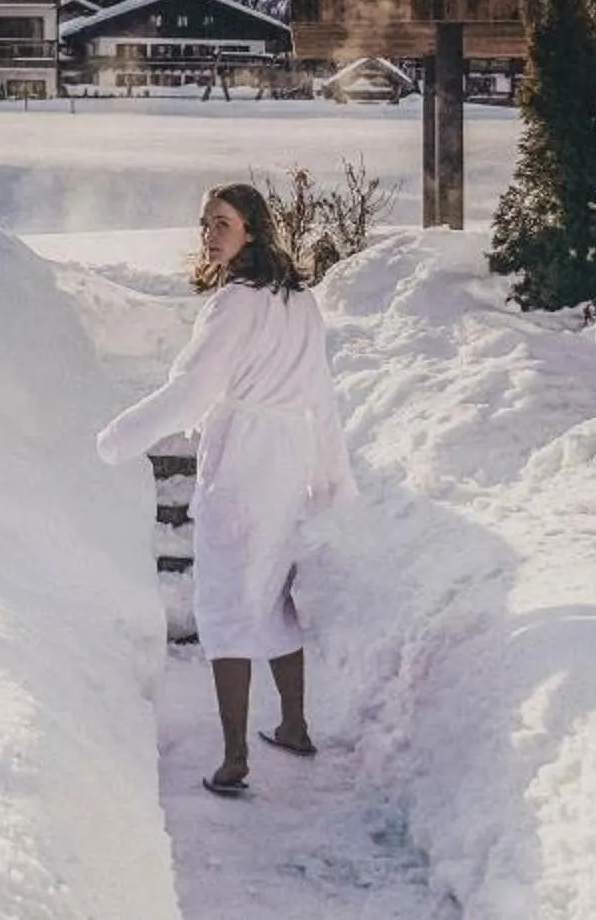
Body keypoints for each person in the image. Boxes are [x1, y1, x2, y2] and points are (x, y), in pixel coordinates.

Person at [96, 182, 357, 797]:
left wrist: (116, 439)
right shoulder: (300, 301)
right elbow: (320, 398)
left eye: (222, 223)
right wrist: (330, 477)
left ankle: (235, 758)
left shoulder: (235, 303)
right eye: (205, 223)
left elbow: (194, 391)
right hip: (287, 460)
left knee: (221, 601)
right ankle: (292, 725)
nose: (209, 234)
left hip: (244, 459)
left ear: (251, 231)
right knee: (270, 594)